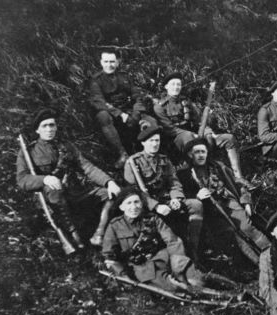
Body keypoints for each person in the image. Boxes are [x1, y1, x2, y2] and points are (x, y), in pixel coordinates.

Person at [16, 108, 121, 248]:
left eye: (52, 125)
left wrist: (109, 182)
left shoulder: (66, 146)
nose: (49, 129)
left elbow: (87, 167)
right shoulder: (29, 152)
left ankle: (99, 234)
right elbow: (22, 179)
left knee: (109, 194)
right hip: (49, 200)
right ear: (37, 130)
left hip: (73, 193)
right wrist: (44, 179)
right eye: (44, 126)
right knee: (52, 189)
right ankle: (73, 235)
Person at [177, 138, 270, 266]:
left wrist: (246, 202)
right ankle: (260, 265)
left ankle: (274, 257)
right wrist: (197, 197)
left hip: (229, 204)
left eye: (203, 152)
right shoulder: (184, 175)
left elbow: (238, 184)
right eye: (197, 152)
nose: (201, 155)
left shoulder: (218, 167)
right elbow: (182, 198)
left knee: (248, 227)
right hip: (210, 214)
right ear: (190, 154)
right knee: (232, 236)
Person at [152, 72, 252, 188]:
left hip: (196, 135)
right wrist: (192, 135)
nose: (176, 87)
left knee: (228, 138)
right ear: (166, 87)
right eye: (173, 84)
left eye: (178, 84)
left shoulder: (186, 102)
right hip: (177, 140)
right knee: (189, 137)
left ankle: (238, 177)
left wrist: (209, 133)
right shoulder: (159, 107)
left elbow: (200, 121)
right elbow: (170, 129)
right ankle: (202, 179)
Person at [102, 187, 205, 291]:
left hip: (164, 258)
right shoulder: (115, 226)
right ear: (121, 207)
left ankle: (202, 288)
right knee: (175, 288)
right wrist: (124, 276)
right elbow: (109, 257)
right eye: (128, 203)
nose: (133, 207)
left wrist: (178, 264)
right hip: (143, 268)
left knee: (195, 279)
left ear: (142, 204)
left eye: (136, 202)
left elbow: (172, 240)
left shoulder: (152, 219)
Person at [124, 125, 203, 258]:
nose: (155, 144)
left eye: (157, 141)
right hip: (147, 207)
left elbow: (174, 182)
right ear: (143, 143)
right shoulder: (133, 162)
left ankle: (193, 249)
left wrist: (176, 199)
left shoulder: (164, 160)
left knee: (196, 205)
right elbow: (133, 192)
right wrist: (155, 206)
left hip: (167, 202)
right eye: (151, 141)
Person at [88, 50, 155, 168]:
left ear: (118, 62)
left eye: (112, 61)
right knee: (103, 116)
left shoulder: (124, 76)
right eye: (106, 61)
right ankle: (122, 154)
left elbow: (137, 95)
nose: (109, 65)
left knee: (151, 121)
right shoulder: (96, 80)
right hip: (111, 112)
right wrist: (120, 114)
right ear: (101, 62)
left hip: (128, 109)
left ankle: (151, 154)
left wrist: (136, 112)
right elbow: (98, 101)